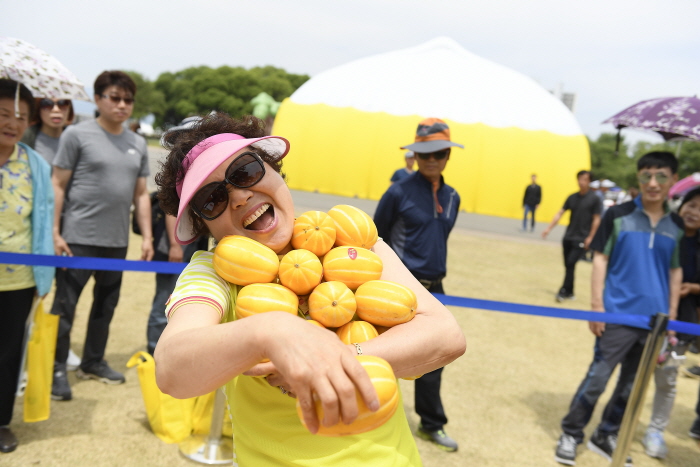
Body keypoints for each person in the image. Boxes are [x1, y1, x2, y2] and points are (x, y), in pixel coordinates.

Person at [154, 112, 466, 466]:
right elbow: (171, 369)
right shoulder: (212, 273)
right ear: (204, 225)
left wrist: (339, 358)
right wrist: (269, 331)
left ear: (274, 168)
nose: (239, 196)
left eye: (245, 171)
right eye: (212, 200)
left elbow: (446, 335)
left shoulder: (349, 235)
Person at [554, 151, 683, 466]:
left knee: (630, 386)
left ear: (673, 180)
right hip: (617, 315)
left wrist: (673, 316)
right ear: (638, 179)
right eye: (646, 176)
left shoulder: (677, 225)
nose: (653, 183)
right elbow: (600, 258)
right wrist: (597, 306)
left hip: (656, 322)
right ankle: (571, 433)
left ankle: (606, 435)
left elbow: (675, 271)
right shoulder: (618, 215)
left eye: (661, 176)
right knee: (598, 377)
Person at [50, 71, 154, 402]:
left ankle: (93, 362)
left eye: (128, 100)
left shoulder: (137, 143)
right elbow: (58, 185)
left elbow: (140, 195)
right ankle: (55, 368)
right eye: (114, 97)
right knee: (64, 307)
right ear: (97, 99)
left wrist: (147, 237)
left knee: (105, 307)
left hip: (116, 241)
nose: (122, 105)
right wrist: (55, 231)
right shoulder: (76, 135)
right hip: (77, 237)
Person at [374, 117, 463, 452]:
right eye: (424, 153)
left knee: (433, 357)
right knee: (385, 355)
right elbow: (374, 236)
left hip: (435, 288)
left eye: (438, 153)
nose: (430, 159)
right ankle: (374, 420)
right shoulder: (397, 192)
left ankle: (431, 424)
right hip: (397, 290)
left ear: (447, 156)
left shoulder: (453, 196)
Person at [0, 79, 55, 453]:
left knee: (7, 353)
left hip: (17, 280)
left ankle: (1, 421)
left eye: (21, 116)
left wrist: (43, 273)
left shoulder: (35, 164)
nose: (13, 123)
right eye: (4, 114)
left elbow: (44, 220)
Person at [641, 186, 700, 459]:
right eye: (691, 204)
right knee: (633, 377)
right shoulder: (663, 232)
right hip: (645, 317)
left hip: (682, 325)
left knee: (667, 380)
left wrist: (693, 288)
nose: (694, 212)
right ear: (681, 204)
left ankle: (655, 431)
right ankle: (615, 426)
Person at [542, 170, 602, 302]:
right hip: (568, 236)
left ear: (589, 181)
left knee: (570, 263)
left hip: (582, 237)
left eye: (585, 179)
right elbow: (560, 213)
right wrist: (548, 229)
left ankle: (563, 291)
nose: (582, 182)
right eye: (580, 179)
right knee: (569, 266)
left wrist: (591, 237)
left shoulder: (595, 199)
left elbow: (597, 219)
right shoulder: (572, 197)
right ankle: (570, 291)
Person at [20, 97, 74, 164]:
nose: (56, 110)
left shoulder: (76, 138)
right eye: (47, 103)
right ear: (38, 108)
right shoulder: (24, 137)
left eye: (63, 103)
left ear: (70, 109)